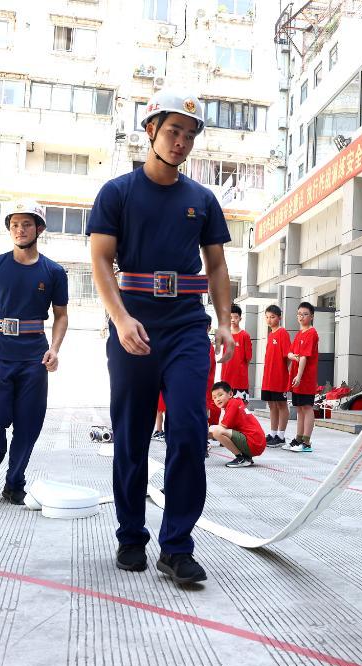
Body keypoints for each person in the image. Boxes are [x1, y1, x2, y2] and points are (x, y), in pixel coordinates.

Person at [88, 87, 234, 585]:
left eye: (190, 135)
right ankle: (131, 535)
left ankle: (176, 546)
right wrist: (120, 318)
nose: (181, 142)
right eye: (173, 131)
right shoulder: (117, 193)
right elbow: (100, 260)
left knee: (189, 430)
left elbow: (217, 265)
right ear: (150, 130)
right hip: (134, 325)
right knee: (131, 433)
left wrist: (224, 321)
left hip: (187, 326)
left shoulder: (202, 200)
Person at [0, 201, 69, 505]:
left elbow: (61, 315)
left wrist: (55, 349)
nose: (19, 230)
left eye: (26, 224)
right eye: (14, 225)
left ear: (39, 228)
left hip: (34, 356)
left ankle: (15, 482)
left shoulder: (53, 272)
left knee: (29, 422)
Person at [286, 302, 319, 452]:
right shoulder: (300, 333)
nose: (301, 317)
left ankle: (306, 442)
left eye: (305, 314)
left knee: (307, 407)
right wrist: (292, 356)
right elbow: (291, 353)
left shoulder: (311, 333)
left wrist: (299, 376)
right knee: (299, 408)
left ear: (311, 316)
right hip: (297, 377)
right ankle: (298, 439)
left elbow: (304, 356)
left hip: (306, 378)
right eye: (299, 314)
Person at [209, 381, 266, 467]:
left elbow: (222, 427)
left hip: (253, 443)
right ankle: (246, 457)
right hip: (256, 443)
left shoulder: (232, 404)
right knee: (215, 431)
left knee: (217, 431)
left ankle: (240, 458)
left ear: (230, 394)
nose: (217, 399)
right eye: (214, 397)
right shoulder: (235, 403)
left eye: (220, 395)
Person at [260, 304, 291, 447]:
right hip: (268, 377)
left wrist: (282, 371)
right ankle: (273, 433)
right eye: (267, 317)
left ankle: (281, 436)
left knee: (281, 404)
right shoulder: (270, 334)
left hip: (279, 377)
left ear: (279, 317)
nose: (269, 320)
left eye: (272, 317)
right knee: (272, 405)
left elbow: (288, 356)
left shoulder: (282, 333)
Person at [221, 304, 252, 401]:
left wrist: (241, 370)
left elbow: (248, 358)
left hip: (240, 380)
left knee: (241, 406)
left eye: (236, 317)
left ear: (240, 318)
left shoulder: (245, 335)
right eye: (230, 317)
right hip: (226, 378)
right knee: (226, 406)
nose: (233, 320)